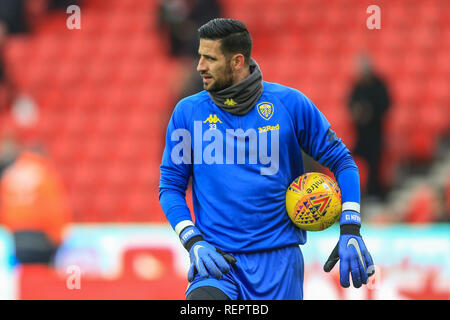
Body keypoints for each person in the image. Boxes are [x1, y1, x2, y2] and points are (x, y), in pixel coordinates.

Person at [159, 18, 374, 300]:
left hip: (279, 266)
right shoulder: (187, 113)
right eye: (200, 56)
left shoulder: (289, 104)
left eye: (209, 58)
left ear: (237, 61)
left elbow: (342, 161)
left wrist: (350, 226)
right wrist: (193, 241)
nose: (200, 66)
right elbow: (170, 187)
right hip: (219, 263)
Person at [0, 134, 72, 265]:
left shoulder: (10, 174)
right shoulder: (45, 174)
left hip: (15, 238)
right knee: (41, 282)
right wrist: (58, 238)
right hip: (43, 238)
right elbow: (55, 208)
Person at [348, 55, 390, 200]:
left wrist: (370, 112)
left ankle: (374, 194)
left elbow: (386, 104)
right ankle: (356, 192)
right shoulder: (357, 86)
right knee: (353, 162)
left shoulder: (379, 84)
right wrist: (357, 112)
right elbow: (350, 104)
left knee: (375, 165)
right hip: (360, 134)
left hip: (375, 133)